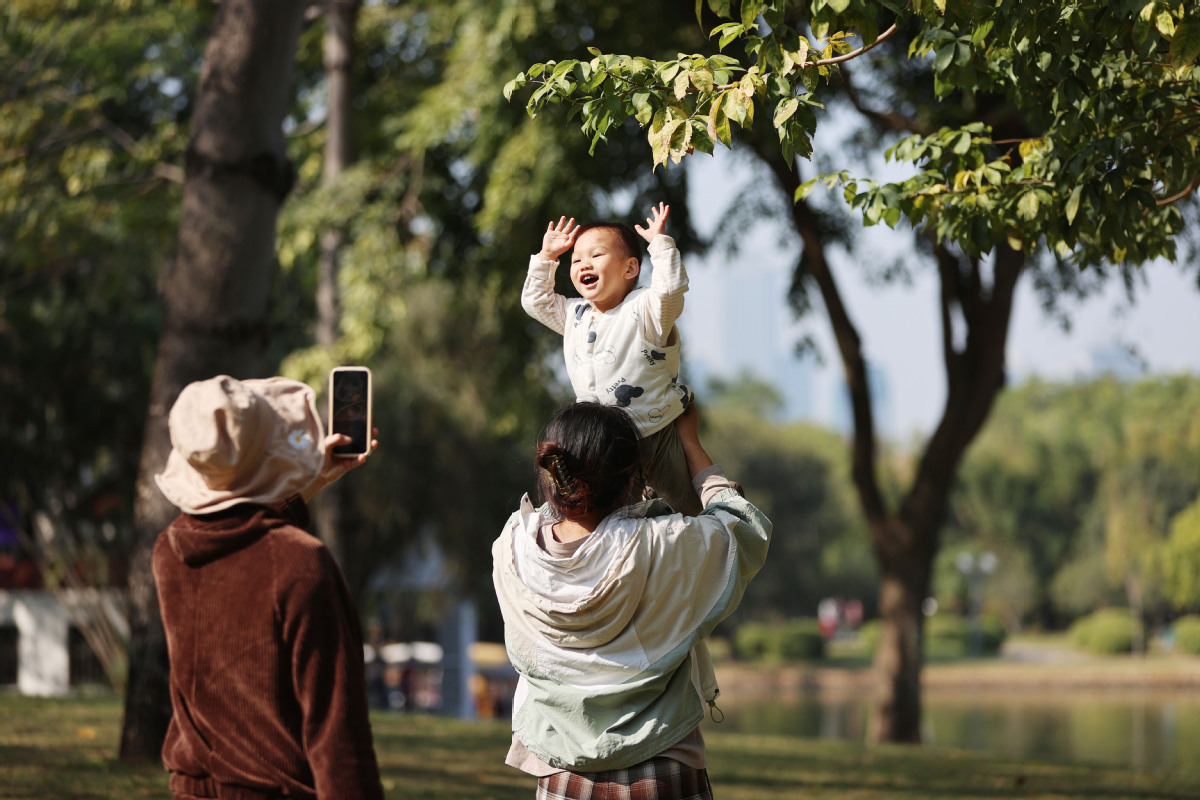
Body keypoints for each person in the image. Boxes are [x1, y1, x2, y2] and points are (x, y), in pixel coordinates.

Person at [492, 402, 772, 799]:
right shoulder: (662, 543)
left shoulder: (513, 547)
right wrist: (690, 442)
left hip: (562, 776)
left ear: (553, 472)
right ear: (631, 477)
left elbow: (560, 515)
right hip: (662, 768)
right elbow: (742, 527)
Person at [152, 374, 384, 800]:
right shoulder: (302, 563)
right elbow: (336, 730)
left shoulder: (169, 551)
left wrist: (311, 483)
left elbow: (242, 544)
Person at [521, 203, 701, 516]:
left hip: (655, 431)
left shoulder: (645, 310)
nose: (584, 264)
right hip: (601, 442)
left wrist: (660, 245)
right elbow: (535, 301)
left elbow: (670, 290)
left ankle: (699, 533)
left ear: (630, 269)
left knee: (680, 511)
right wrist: (547, 257)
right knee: (610, 517)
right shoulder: (575, 314)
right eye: (576, 259)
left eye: (596, 255)